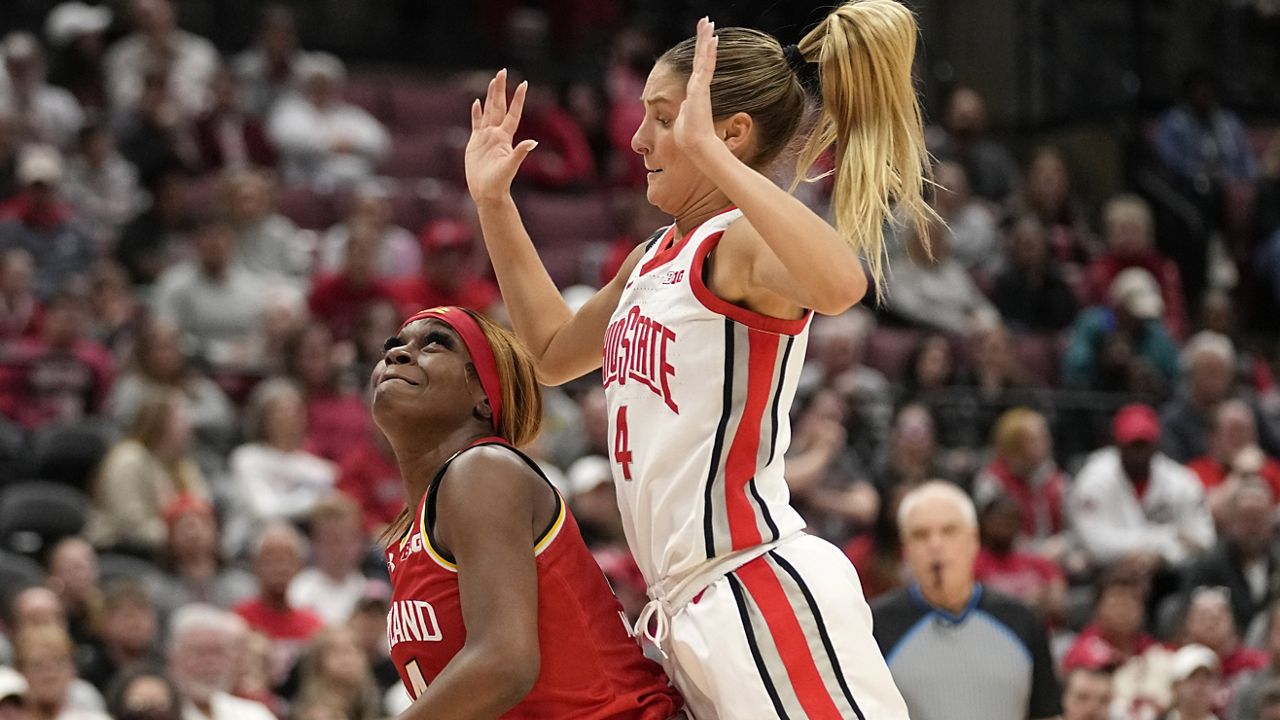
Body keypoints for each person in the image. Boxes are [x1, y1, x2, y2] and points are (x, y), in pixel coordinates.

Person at [466, 4, 935, 714]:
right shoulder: (655, 256)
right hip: (690, 610)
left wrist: (711, 157)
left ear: (731, 133)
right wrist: (495, 203)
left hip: (753, 585)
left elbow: (842, 285)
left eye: (662, 117)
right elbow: (554, 353)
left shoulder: (737, 242)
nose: (638, 136)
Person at [372, 306, 682, 717]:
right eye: (394, 346)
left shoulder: (482, 470)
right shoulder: (410, 535)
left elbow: (504, 662)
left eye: (434, 344)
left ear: (484, 396)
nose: (397, 354)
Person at [871, 481, 1061, 720]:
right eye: (920, 535)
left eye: (949, 531)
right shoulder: (875, 625)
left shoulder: (1021, 620)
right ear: (906, 548)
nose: (935, 545)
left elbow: (1047, 713)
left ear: (974, 540)